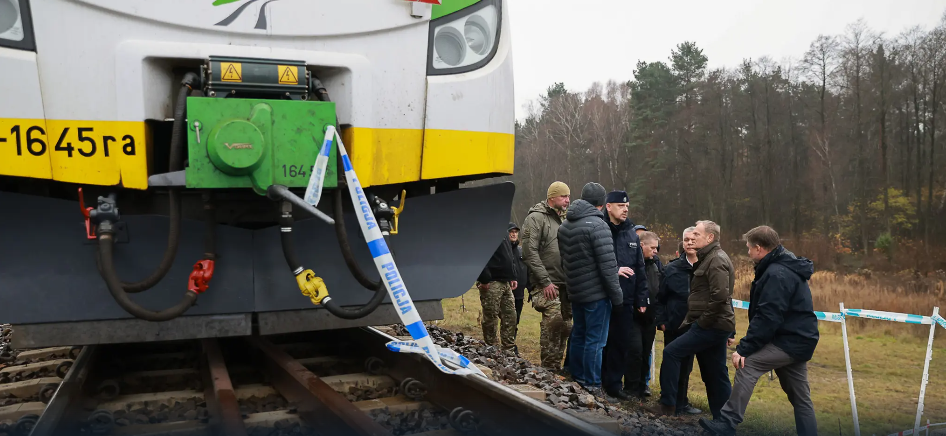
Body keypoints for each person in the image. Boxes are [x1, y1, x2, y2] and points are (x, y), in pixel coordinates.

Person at [699, 226, 819, 436]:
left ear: (759, 248)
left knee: (747, 364)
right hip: (799, 340)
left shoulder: (776, 273)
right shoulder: (782, 265)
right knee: (801, 399)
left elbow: (768, 317)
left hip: (789, 341)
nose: (747, 252)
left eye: (748, 248)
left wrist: (744, 348)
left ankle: (727, 423)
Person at [647, 220, 735, 418]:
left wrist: (702, 322)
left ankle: (668, 406)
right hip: (705, 324)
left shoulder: (716, 260)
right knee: (713, 372)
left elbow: (721, 297)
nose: (692, 238)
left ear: (710, 237)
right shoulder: (707, 258)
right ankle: (722, 420)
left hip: (710, 325)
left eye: (696, 234)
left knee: (673, 353)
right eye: (689, 236)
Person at [557, 182, 623, 396]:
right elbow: (608, 266)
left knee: (579, 335)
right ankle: (593, 384)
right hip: (596, 294)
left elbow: (564, 261)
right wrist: (617, 297)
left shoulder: (565, 225)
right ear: (602, 203)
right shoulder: (598, 225)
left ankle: (576, 376)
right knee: (596, 340)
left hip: (575, 291)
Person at [599, 191, 648, 400]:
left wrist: (641, 298)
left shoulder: (631, 233)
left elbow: (640, 267)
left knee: (620, 343)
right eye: (620, 205)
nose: (625, 209)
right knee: (602, 342)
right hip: (602, 296)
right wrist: (614, 271)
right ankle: (597, 381)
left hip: (626, 299)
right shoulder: (600, 229)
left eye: (627, 206)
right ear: (608, 207)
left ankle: (614, 385)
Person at [521, 182, 572, 370]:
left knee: (566, 326)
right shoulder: (536, 218)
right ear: (552, 198)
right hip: (546, 283)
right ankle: (549, 368)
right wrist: (544, 281)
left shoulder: (567, 219)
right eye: (563, 196)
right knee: (554, 322)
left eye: (568, 196)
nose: (567, 200)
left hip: (566, 283)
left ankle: (557, 368)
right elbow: (529, 252)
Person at [654, 229, 703, 415]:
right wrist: (662, 321)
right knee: (672, 364)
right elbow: (660, 298)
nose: (689, 243)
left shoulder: (709, 267)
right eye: (686, 240)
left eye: (693, 239)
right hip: (675, 324)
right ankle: (667, 402)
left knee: (688, 367)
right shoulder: (671, 269)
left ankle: (682, 403)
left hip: (699, 326)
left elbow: (724, 297)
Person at [474, 225, 519, 352]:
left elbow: (509, 255)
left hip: (505, 282)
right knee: (490, 317)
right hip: (491, 281)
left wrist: (513, 275)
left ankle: (508, 349)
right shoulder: (484, 229)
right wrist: (484, 278)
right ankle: (492, 348)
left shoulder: (502, 229)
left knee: (510, 316)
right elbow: (478, 254)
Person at [629, 231, 660, 398]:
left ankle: (643, 385)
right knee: (635, 351)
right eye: (652, 248)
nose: (655, 251)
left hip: (651, 317)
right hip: (634, 316)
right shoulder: (632, 263)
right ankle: (631, 386)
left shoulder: (655, 264)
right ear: (642, 246)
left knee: (646, 351)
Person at [508, 222, 530, 326]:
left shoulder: (521, 251)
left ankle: (512, 339)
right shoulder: (503, 250)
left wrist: (531, 289)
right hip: (505, 291)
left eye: (516, 232)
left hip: (519, 293)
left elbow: (528, 270)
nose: (514, 234)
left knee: (516, 320)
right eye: (511, 232)